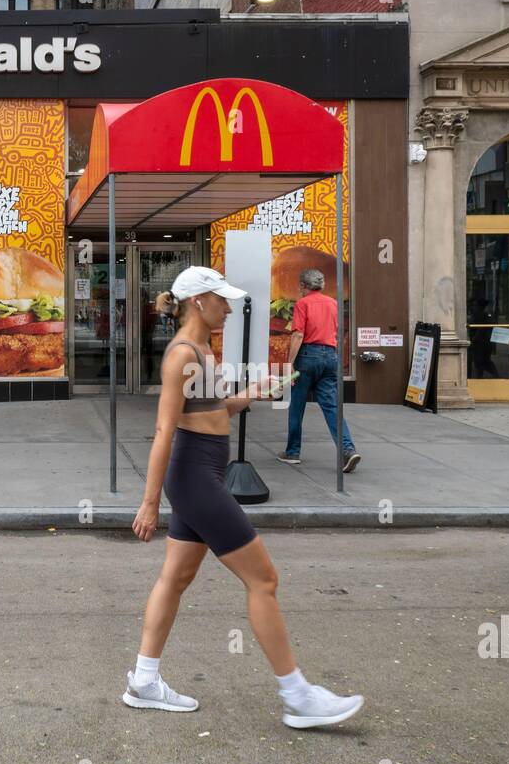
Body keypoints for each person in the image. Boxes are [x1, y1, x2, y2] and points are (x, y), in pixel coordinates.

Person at [126, 266, 364, 729]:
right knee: (264, 580)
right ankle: (298, 696)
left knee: (174, 579)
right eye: (223, 300)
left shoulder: (201, 351)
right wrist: (150, 501)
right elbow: (163, 430)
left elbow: (214, 409)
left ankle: (144, 681)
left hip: (201, 474)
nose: (230, 308)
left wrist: (251, 393)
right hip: (196, 478)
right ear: (199, 302)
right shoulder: (183, 355)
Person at [276, 268, 361, 473]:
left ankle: (293, 452)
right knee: (331, 406)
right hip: (331, 356)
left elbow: (297, 335)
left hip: (308, 355)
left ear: (304, 286)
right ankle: (348, 450)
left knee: (297, 405)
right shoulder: (333, 303)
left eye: (300, 286)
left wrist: (289, 364)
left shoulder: (302, 304)